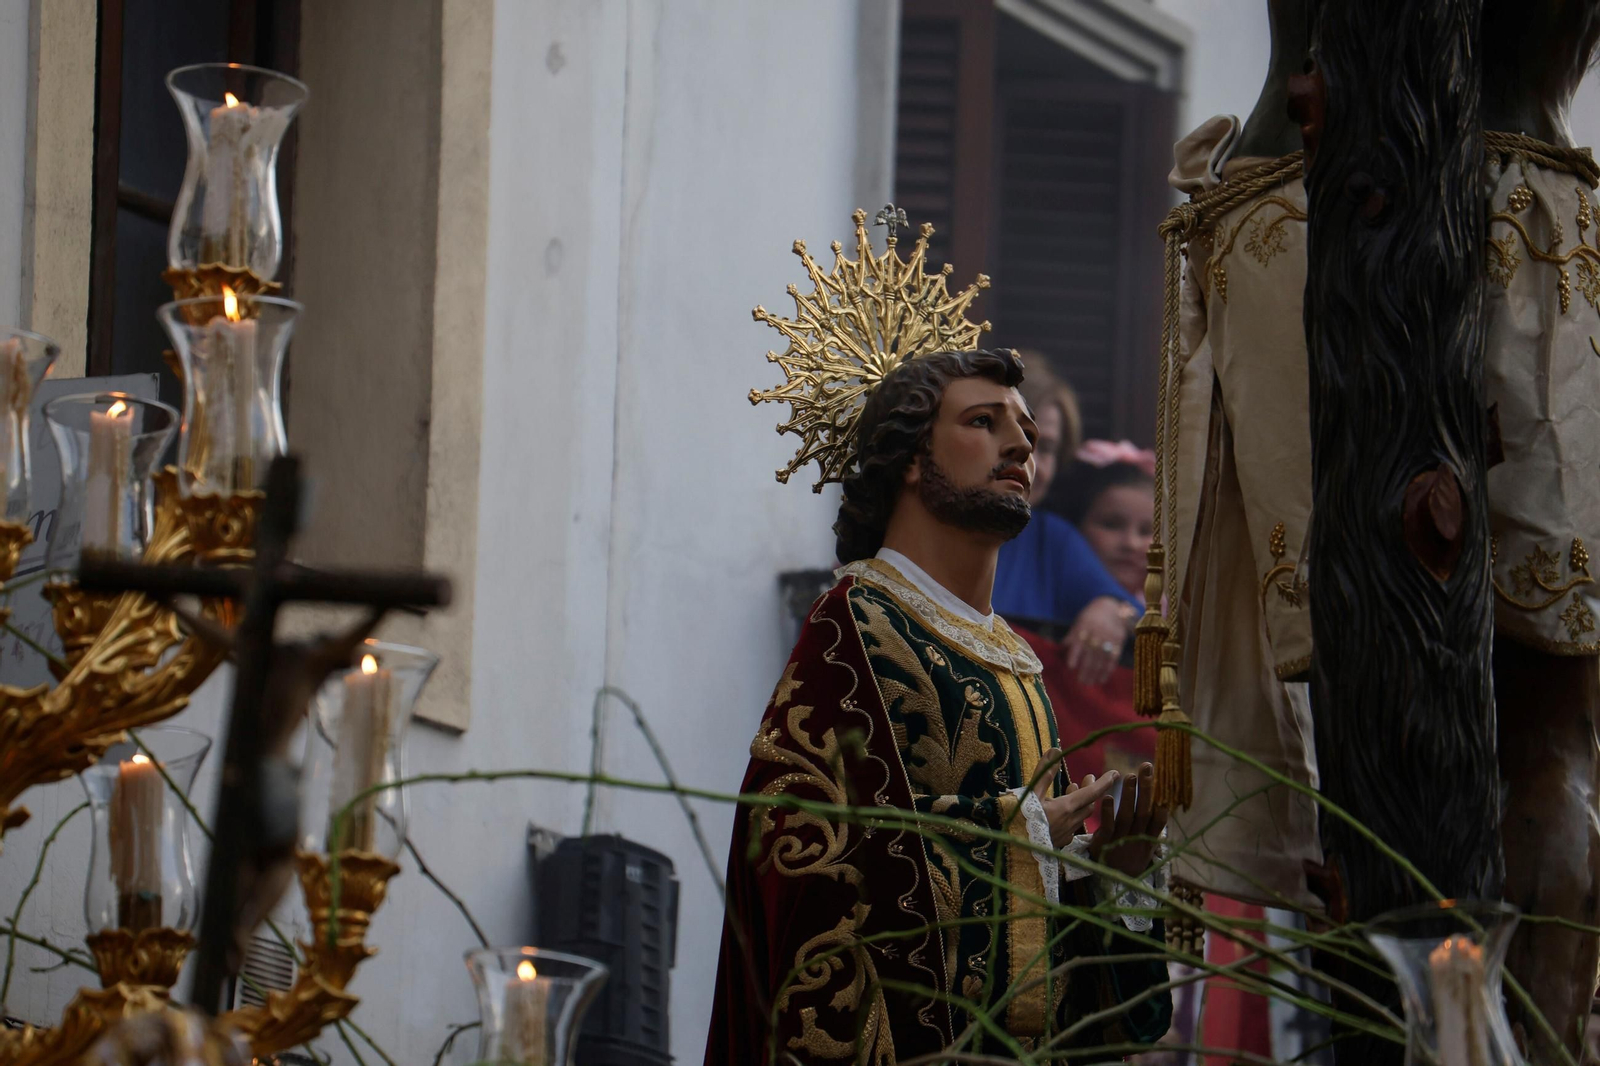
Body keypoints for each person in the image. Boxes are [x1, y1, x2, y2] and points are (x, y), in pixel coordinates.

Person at [716, 212, 1173, 1064]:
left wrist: (1112, 873)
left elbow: (1051, 940)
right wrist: (1027, 831)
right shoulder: (856, 626)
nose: (1022, 443)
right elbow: (799, 851)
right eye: (984, 422)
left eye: (1027, 431)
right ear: (911, 459)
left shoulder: (1021, 663)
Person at [991, 357, 1140, 688]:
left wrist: (1110, 609)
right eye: (1020, 437)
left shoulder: (1050, 540)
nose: (1032, 464)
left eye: (1048, 449)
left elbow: (1134, 613)